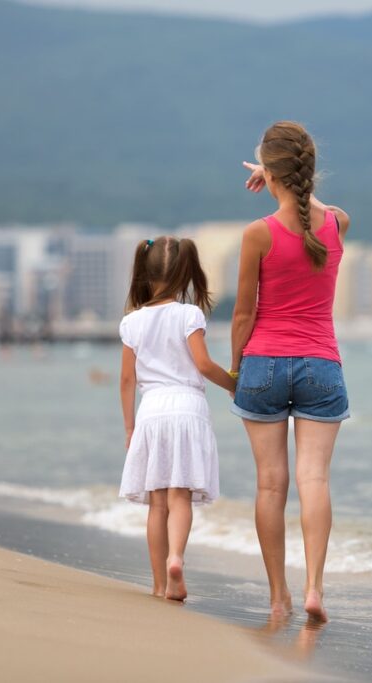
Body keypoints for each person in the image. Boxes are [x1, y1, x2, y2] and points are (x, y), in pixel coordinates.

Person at [230, 121, 350, 622]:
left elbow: (243, 314)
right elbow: (316, 210)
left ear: (270, 172)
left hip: (263, 362)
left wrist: (238, 368)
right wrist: (277, 173)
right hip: (322, 363)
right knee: (313, 479)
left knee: (270, 485)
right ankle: (314, 589)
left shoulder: (258, 233)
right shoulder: (339, 223)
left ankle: (278, 596)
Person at [118, 236, 236, 601]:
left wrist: (129, 427)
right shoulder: (189, 315)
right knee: (179, 497)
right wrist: (233, 383)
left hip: (151, 411)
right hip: (187, 409)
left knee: (157, 504)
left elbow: (126, 379)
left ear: (144, 271)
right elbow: (202, 364)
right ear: (186, 271)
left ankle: (158, 584)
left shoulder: (132, 321)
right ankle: (177, 559)